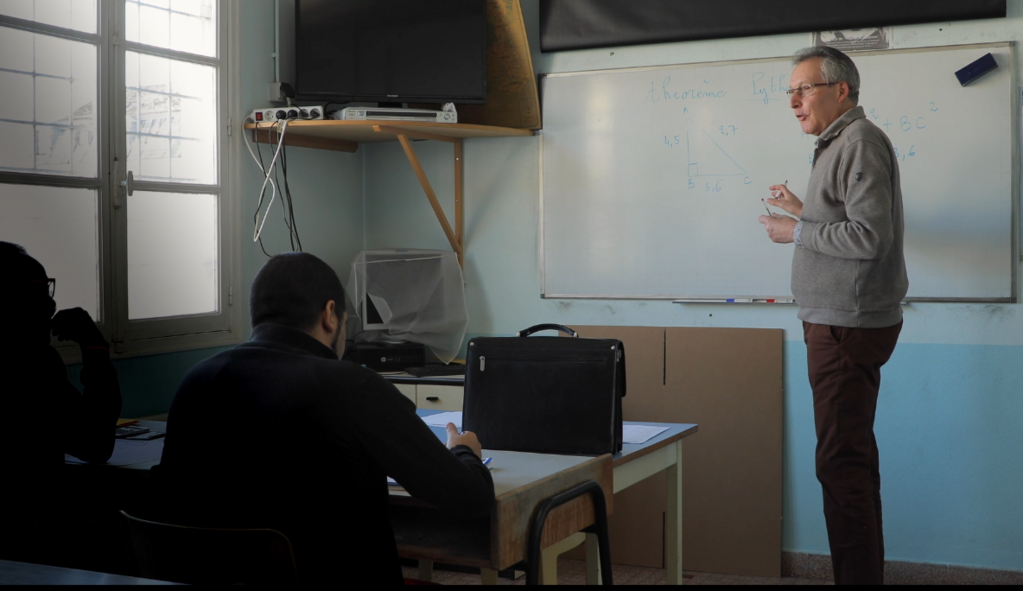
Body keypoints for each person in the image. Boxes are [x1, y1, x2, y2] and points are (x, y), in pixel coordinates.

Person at [155, 252, 494, 585]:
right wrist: (463, 451)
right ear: (331, 314)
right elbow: (470, 499)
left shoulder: (196, 381)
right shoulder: (353, 386)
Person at [758, 47, 908, 586]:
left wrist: (795, 231)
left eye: (805, 89)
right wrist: (805, 210)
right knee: (853, 460)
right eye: (791, 92)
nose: (794, 102)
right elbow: (847, 217)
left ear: (841, 90)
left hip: (848, 324)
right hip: (841, 320)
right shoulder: (838, 143)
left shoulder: (859, 141)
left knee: (840, 465)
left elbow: (869, 237)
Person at [0, 242, 122, 565]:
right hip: (30, 550)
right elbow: (97, 444)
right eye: (37, 293)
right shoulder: (35, 368)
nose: (51, 304)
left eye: (48, 289)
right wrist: (96, 351)